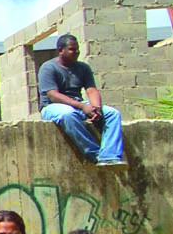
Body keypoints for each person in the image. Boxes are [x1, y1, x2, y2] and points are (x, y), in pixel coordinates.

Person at [38, 33, 126, 167]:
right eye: (72, 49)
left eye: (77, 49)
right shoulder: (48, 68)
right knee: (67, 114)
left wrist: (96, 108)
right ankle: (94, 155)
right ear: (61, 50)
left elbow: (91, 90)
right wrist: (82, 106)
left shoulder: (83, 68)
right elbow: (53, 95)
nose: (76, 52)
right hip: (53, 106)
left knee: (112, 114)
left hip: (77, 104)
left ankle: (109, 156)